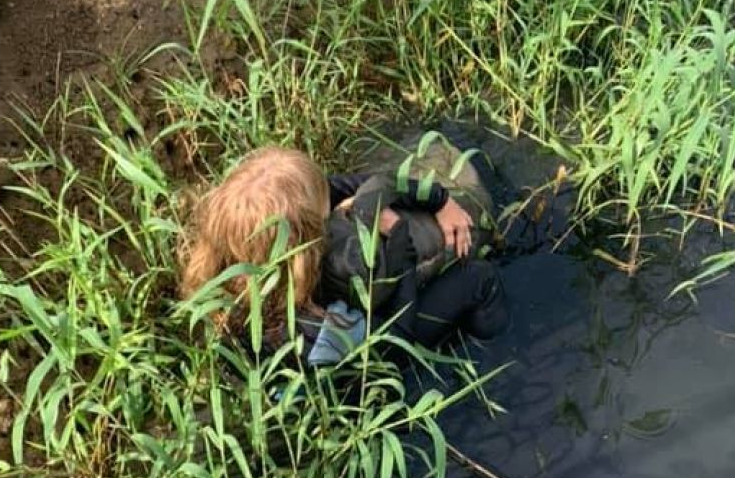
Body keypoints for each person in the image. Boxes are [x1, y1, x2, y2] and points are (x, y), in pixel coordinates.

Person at [179, 137, 509, 366]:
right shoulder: (307, 331)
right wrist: (400, 245)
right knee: (479, 279)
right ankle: (494, 356)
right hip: (372, 349)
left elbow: (345, 186)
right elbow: (395, 341)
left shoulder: (239, 242)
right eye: (326, 209)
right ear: (306, 237)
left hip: (340, 310)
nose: (333, 199)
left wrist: (439, 199)